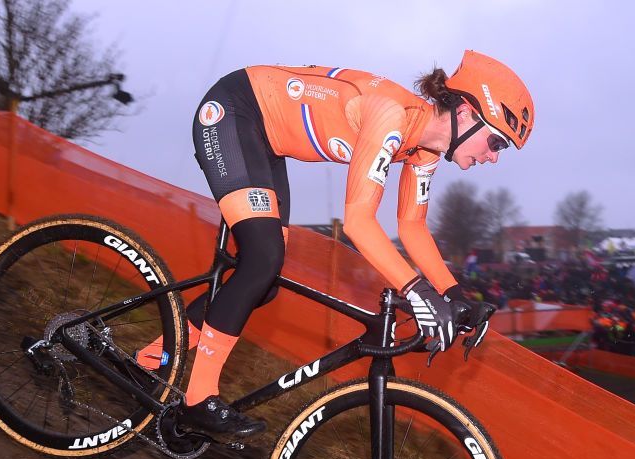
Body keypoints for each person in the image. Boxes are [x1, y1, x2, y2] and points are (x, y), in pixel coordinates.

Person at [136, 51, 535, 436]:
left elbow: (412, 225)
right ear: (465, 112)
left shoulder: (425, 150)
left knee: (264, 282)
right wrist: (417, 291)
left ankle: (150, 360)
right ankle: (198, 400)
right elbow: (359, 222)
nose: (494, 158)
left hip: (266, 138)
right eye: (496, 143)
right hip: (235, 111)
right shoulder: (393, 116)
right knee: (262, 260)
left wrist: (453, 294)